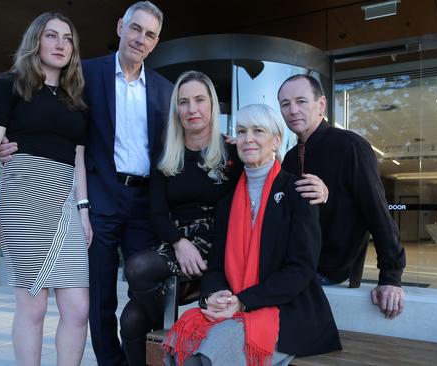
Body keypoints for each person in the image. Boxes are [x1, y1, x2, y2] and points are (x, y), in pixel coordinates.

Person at [0, 3, 173, 364]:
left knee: (147, 289)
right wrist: (9, 140)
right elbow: (40, 105)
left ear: (156, 42)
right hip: (99, 198)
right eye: (136, 28)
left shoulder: (164, 90)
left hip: (143, 204)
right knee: (98, 299)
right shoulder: (84, 74)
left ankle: (140, 357)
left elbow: (182, 138)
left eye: (150, 34)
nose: (141, 39)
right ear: (121, 26)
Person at [164, 104, 341, 366]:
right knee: (183, 343)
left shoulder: (297, 191)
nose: (248, 139)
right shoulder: (227, 201)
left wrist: (244, 302)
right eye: (242, 131)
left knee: (209, 351)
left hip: (285, 310)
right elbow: (215, 267)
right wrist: (214, 296)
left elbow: (301, 270)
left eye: (258, 131)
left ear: (276, 140)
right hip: (235, 305)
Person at [0, 12, 91, 366]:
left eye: (67, 38)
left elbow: (78, 158)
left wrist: (84, 210)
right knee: (34, 304)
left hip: (65, 205)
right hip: (23, 198)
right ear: (35, 41)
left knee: (78, 307)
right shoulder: (10, 85)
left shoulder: (77, 97)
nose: (60, 44)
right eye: (51, 36)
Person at [119, 71, 243, 365]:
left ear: (212, 105)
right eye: (184, 102)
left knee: (137, 269)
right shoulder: (166, 153)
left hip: (218, 245)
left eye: (200, 100)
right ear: (177, 109)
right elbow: (157, 213)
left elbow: (266, 179)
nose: (192, 109)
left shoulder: (232, 153)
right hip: (177, 243)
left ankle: (174, 318)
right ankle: (166, 319)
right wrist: (178, 242)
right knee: (131, 319)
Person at [277, 74, 407, 319]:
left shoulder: (351, 147)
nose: (292, 110)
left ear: (321, 104)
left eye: (301, 101)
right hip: (295, 265)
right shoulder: (291, 157)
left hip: (327, 271)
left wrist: (391, 277)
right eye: (285, 104)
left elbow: (377, 213)